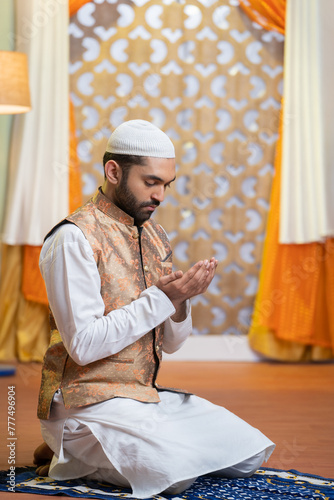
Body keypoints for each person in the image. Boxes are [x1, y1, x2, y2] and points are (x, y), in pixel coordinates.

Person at [34, 120, 275, 498]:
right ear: (114, 172)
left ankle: (137, 446)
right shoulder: (72, 239)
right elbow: (82, 345)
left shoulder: (154, 236)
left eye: (167, 184)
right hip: (85, 406)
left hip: (142, 398)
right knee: (173, 476)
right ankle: (67, 453)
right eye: (151, 182)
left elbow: (173, 344)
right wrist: (161, 299)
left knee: (250, 452)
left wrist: (179, 303)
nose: (161, 195)